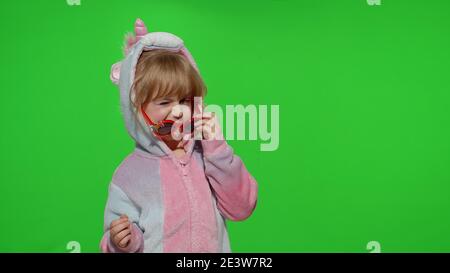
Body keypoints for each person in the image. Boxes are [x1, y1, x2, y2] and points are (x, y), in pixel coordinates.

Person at [100, 18, 258, 253]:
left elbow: (242, 207)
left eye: (185, 100)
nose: (178, 111)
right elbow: (115, 238)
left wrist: (217, 150)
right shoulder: (128, 176)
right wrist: (121, 241)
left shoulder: (208, 155)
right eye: (164, 102)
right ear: (137, 108)